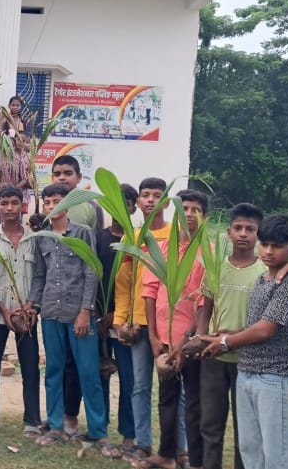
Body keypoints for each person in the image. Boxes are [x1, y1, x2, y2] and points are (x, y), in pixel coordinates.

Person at [200, 215, 288, 469]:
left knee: (278, 455)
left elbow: (265, 330)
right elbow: (254, 326)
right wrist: (227, 333)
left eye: (277, 246)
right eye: (265, 244)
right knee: (250, 449)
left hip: (275, 377)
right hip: (247, 372)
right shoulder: (262, 280)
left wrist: (226, 342)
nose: (268, 251)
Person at [32, 184, 115, 455]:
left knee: (88, 372)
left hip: (78, 314)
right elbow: (39, 276)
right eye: (47, 202)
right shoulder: (42, 237)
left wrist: (86, 311)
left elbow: (91, 272)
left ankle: (98, 432)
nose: (52, 206)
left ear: (67, 204)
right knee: (54, 371)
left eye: (57, 201)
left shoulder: (83, 233)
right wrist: (33, 306)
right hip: (51, 313)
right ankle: (56, 427)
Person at [137, 189, 209, 469]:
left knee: (193, 402)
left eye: (195, 210)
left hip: (192, 341)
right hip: (163, 339)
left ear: (205, 217)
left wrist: (184, 342)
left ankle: (190, 456)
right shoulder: (162, 249)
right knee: (166, 398)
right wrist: (153, 337)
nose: (188, 215)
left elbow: (204, 302)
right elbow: (150, 291)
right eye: (184, 209)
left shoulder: (207, 253)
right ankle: (166, 454)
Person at [195, 203, 266, 469]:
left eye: (250, 229)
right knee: (210, 424)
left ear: (258, 234)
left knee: (244, 428)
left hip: (248, 360)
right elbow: (206, 306)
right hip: (213, 358)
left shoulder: (264, 272)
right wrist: (201, 337)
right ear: (229, 232)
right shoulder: (216, 267)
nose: (243, 234)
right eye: (238, 228)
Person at [114, 177, 172, 461]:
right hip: (138, 321)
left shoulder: (176, 236)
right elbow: (123, 283)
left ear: (167, 202)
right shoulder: (131, 237)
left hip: (168, 324)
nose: (151, 200)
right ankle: (143, 442)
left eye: (157, 195)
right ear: (137, 202)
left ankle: (176, 447)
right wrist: (120, 319)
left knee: (173, 388)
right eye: (145, 195)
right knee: (140, 385)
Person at [0, 186, 41, 439]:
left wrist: (31, 306)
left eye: (14, 203)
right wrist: (3, 310)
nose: (9, 208)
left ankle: (32, 420)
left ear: (22, 205)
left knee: (30, 367)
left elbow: (40, 275)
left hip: (27, 316)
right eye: (4, 203)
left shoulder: (34, 239)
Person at [93, 183, 140, 456]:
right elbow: (91, 276)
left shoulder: (137, 240)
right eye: (114, 202)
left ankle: (129, 435)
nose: (120, 208)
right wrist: (97, 314)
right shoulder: (98, 238)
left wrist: (119, 315)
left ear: (133, 208)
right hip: (99, 319)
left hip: (125, 322)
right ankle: (100, 431)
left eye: (126, 203)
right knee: (100, 375)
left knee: (129, 380)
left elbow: (141, 284)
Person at [52, 155, 104, 230]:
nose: (62, 177)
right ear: (52, 178)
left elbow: (97, 236)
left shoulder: (92, 207)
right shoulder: (48, 205)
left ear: (79, 177)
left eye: (68, 173)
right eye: (57, 174)